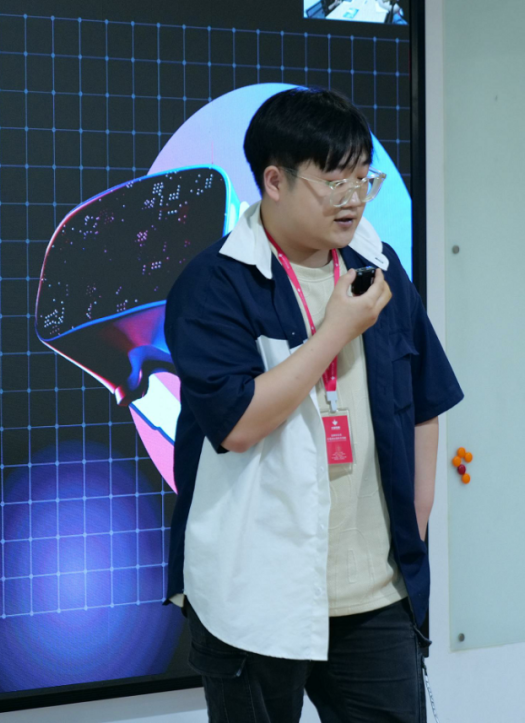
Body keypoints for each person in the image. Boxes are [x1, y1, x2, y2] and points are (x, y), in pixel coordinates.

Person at [163, 87, 463, 722]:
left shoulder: (378, 269)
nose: (353, 198)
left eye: (364, 179)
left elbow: (426, 400)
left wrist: (416, 520)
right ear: (275, 181)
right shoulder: (215, 283)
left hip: (374, 595)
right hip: (255, 598)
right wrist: (334, 331)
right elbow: (238, 423)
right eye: (334, 182)